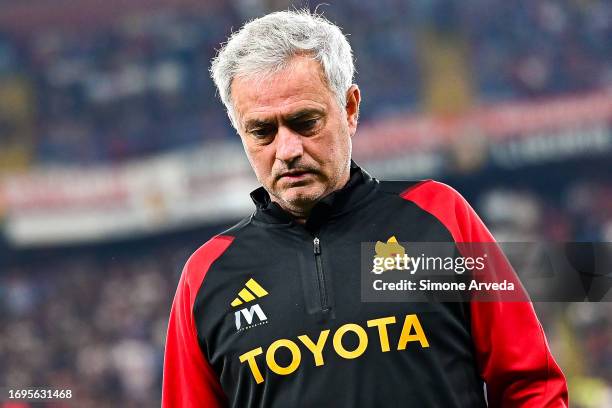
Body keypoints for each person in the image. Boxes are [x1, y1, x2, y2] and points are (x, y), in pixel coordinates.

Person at [162, 9, 568, 407]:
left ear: (350, 108)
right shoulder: (207, 277)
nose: (287, 150)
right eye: (262, 131)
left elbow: (529, 386)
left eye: (306, 122)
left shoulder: (438, 217)